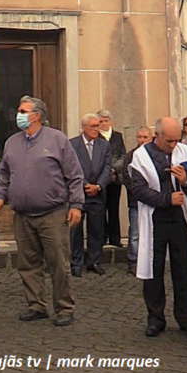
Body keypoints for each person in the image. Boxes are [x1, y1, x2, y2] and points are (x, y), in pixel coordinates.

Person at [0, 96, 83, 327]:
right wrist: (0, 197)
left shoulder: (57, 139)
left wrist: (76, 205)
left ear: (36, 115)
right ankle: (36, 305)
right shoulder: (12, 142)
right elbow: (5, 174)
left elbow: (74, 175)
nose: (18, 115)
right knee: (28, 263)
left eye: (23, 111)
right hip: (22, 215)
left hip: (52, 213)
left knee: (58, 263)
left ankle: (64, 307)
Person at [128, 117, 187, 338]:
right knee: (153, 270)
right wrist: (166, 199)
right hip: (155, 218)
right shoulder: (139, 157)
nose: (173, 145)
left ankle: (186, 318)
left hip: (182, 218)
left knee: (184, 269)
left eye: (176, 140)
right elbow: (137, 190)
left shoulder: (185, 152)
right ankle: (155, 318)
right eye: (169, 141)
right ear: (157, 136)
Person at [69, 114, 111, 277]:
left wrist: (98, 186)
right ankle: (76, 262)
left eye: (97, 126)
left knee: (96, 230)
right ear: (84, 127)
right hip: (78, 193)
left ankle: (94, 261)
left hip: (97, 194)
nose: (96, 129)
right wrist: (85, 184)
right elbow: (72, 167)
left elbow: (107, 168)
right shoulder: (73, 144)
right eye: (92, 126)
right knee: (75, 231)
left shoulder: (103, 145)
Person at [124, 127, 153, 276]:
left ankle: (150, 261)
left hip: (154, 201)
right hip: (136, 201)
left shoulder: (155, 155)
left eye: (145, 137)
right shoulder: (131, 156)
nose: (142, 140)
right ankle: (133, 262)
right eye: (140, 137)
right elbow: (127, 178)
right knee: (135, 234)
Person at [98, 110, 126, 247]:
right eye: (101, 121)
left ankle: (115, 238)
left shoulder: (117, 136)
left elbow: (123, 155)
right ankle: (102, 237)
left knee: (114, 208)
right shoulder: (96, 136)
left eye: (106, 121)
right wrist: (105, 170)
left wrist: (113, 168)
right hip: (100, 179)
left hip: (116, 178)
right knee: (101, 208)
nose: (104, 124)